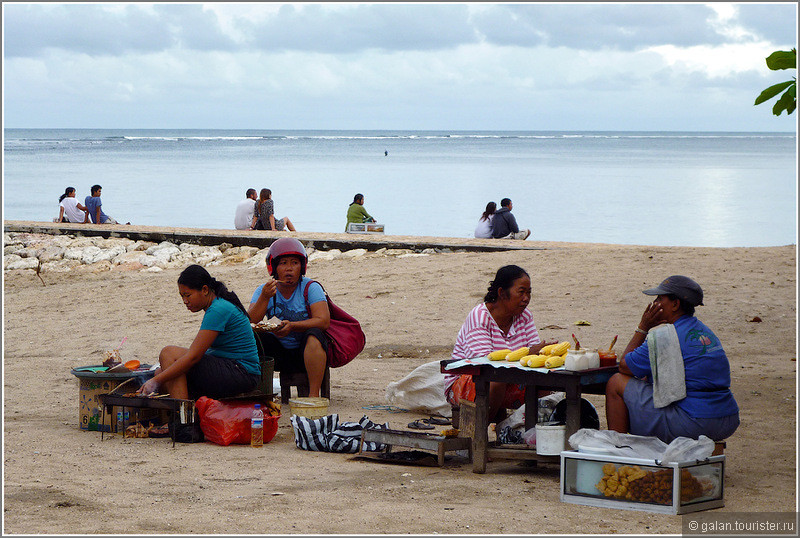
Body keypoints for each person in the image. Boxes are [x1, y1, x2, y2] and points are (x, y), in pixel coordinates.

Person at [605, 275, 740, 443]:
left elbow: (624, 366)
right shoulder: (706, 332)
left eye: (660, 298)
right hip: (727, 418)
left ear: (675, 304)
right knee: (648, 379)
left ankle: (618, 451)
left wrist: (643, 328)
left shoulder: (665, 337)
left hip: (695, 421)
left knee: (616, 383)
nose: (655, 303)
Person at [445, 265, 557, 421]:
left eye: (529, 293)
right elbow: (483, 363)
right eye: (521, 292)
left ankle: (534, 433)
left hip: (511, 378)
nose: (526, 298)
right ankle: (480, 430)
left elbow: (535, 356)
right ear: (502, 293)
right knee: (496, 380)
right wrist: (529, 352)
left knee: (546, 383)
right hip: (471, 380)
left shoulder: (525, 317)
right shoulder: (480, 316)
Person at [137, 265, 260, 400]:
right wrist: (159, 377)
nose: (185, 301)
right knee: (162, 372)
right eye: (182, 296)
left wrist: (155, 381)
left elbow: (193, 356)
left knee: (168, 354)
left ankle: (183, 418)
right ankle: (192, 412)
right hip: (233, 368)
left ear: (205, 290)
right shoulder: (217, 305)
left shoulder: (218, 309)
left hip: (242, 372)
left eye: (188, 295)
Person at [248, 238, 330, 397]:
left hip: (305, 351)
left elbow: (323, 321)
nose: (289, 269)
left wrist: (292, 326)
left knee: (314, 335)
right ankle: (258, 391)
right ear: (274, 267)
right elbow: (250, 321)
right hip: (277, 352)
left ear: (302, 266)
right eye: (283, 263)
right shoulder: (264, 290)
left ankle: (313, 397)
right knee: (253, 337)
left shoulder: (311, 288)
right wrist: (264, 298)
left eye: (294, 263)